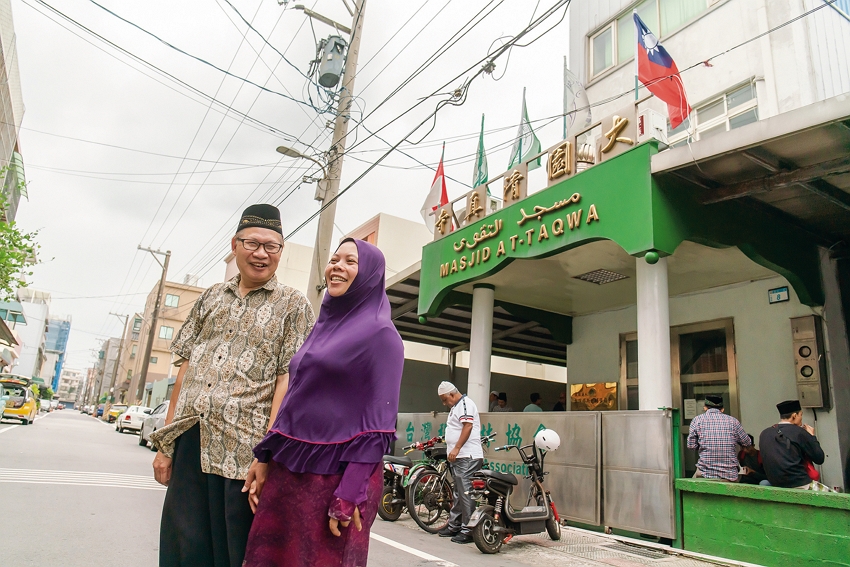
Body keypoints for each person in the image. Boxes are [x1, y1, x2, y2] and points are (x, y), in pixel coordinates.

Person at [150, 204, 315, 567]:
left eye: (272, 246)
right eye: (252, 243)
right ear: (235, 245)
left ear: (280, 252)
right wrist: (165, 445)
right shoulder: (211, 297)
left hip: (244, 451)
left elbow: (290, 378)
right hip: (192, 439)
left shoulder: (293, 305)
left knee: (234, 553)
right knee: (183, 550)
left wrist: (267, 452)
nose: (261, 253)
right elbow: (186, 367)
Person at [241, 239, 404, 567]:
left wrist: (349, 495)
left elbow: (378, 424)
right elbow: (293, 398)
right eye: (334, 259)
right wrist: (264, 459)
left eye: (350, 261)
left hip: (336, 479)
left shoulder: (382, 335)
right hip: (288, 470)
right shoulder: (323, 327)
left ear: (369, 275)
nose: (337, 267)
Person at [436, 381, 483, 544]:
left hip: (467, 455)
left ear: (452, 394)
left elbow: (468, 426)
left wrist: (456, 448)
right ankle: (455, 525)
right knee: (458, 491)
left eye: (444, 399)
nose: (444, 403)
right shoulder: (455, 407)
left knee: (465, 493)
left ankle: (469, 529)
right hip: (459, 457)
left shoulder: (465, 404)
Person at [759, 399, 828, 490]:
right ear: (794, 416)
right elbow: (819, 458)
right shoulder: (799, 432)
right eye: (801, 415)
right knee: (838, 500)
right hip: (800, 483)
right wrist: (812, 437)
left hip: (775, 484)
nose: (801, 419)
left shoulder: (764, 433)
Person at [686, 394, 751, 482]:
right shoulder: (733, 421)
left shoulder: (697, 420)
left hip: (705, 473)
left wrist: (704, 444)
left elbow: (691, 446)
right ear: (722, 409)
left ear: (705, 408)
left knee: (691, 489)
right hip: (729, 475)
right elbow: (747, 442)